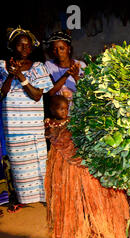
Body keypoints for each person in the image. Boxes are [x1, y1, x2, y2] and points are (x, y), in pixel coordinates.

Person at [0, 27, 53, 211]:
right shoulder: (2, 66)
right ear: (12, 46)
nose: (24, 48)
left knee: (40, 166)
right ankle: (21, 198)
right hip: (14, 129)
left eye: (28, 46)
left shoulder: (38, 67)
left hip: (34, 129)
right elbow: (2, 93)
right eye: (20, 45)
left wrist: (21, 76)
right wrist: (10, 74)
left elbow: (37, 95)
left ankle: (46, 197)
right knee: (19, 167)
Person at [44, 31, 86, 108]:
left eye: (62, 48)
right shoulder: (48, 65)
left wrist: (76, 77)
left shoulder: (81, 65)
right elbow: (51, 92)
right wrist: (67, 74)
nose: (59, 52)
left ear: (69, 49)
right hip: (58, 113)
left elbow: (86, 92)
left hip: (77, 110)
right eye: (54, 49)